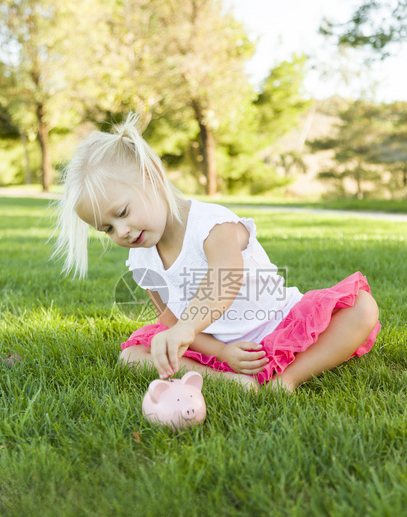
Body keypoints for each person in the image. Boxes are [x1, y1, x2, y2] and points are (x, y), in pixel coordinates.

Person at [54, 113, 381, 393]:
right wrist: (222, 352)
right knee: (133, 356)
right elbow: (170, 320)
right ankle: (231, 381)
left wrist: (185, 328)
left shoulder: (211, 225)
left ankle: (288, 380)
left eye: (122, 212)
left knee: (362, 308)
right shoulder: (141, 259)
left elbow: (224, 282)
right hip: (216, 343)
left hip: (276, 324)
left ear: (152, 176)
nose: (121, 231)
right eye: (107, 229)